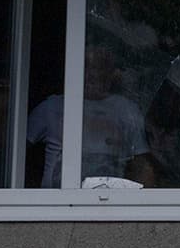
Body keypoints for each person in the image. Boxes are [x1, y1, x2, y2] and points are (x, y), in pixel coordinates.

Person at [23, 41, 158, 187]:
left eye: (100, 66)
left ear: (113, 73)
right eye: (86, 65)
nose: (92, 73)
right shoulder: (52, 106)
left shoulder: (127, 110)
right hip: (58, 203)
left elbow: (142, 166)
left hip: (111, 201)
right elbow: (12, 152)